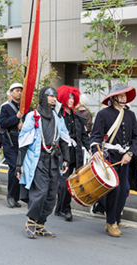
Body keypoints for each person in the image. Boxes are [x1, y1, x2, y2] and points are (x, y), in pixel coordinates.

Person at [16, 86, 71, 239]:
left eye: (55, 96)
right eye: (50, 95)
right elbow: (23, 142)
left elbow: (65, 139)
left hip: (53, 159)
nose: (53, 98)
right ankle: (31, 222)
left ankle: (41, 224)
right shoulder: (33, 116)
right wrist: (18, 165)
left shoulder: (57, 117)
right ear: (43, 97)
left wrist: (66, 159)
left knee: (52, 194)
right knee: (40, 192)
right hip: (37, 159)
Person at [90, 85, 137, 237]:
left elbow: (136, 138)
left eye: (125, 96)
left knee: (124, 189)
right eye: (121, 95)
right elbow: (95, 136)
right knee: (115, 189)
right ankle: (112, 222)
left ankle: (114, 219)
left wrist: (130, 153)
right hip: (110, 156)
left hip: (125, 157)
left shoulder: (130, 115)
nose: (124, 98)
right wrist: (95, 151)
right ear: (113, 98)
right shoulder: (103, 114)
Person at [54, 85, 90, 221]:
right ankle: (66, 210)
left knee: (71, 183)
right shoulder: (57, 117)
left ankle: (60, 208)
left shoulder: (77, 118)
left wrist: (90, 148)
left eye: (72, 98)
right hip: (62, 153)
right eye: (68, 97)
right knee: (64, 183)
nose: (70, 100)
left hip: (75, 153)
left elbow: (84, 137)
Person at [0, 83, 26, 208]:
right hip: (10, 141)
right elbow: (2, 123)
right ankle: (10, 195)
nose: (19, 93)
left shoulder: (26, 107)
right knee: (15, 167)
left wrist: (23, 124)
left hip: (23, 141)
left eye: (21, 90)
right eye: (16, 90)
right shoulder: (6, 107)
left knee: (21, 169)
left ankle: (17, 196)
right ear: (11, 92)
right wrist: (16, 118)